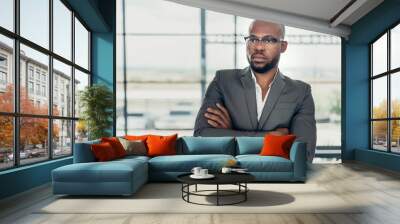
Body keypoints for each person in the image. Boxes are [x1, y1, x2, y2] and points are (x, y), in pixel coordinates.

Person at [193, 20, 317, 162]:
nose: (258, 47)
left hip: (278, 179)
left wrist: (229, 134)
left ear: (283, 46)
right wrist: (270, 137)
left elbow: (304, 154)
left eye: (268, 40)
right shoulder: (223, 81)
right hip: (231, 176)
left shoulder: (301, 92)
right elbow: (200, 137)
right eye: (253, 39)